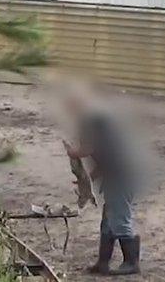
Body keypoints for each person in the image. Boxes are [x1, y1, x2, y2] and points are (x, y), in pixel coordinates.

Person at [62, 90, 141, 276]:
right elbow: (107, 154)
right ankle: (103, 263)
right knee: (108, 222)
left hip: (120, 177)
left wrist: (74, 153)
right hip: (117, 174)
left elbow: (89, 148)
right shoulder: (99, 122)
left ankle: (132, 263)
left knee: (120, 219)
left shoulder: (89, 122)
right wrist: (88, 178)